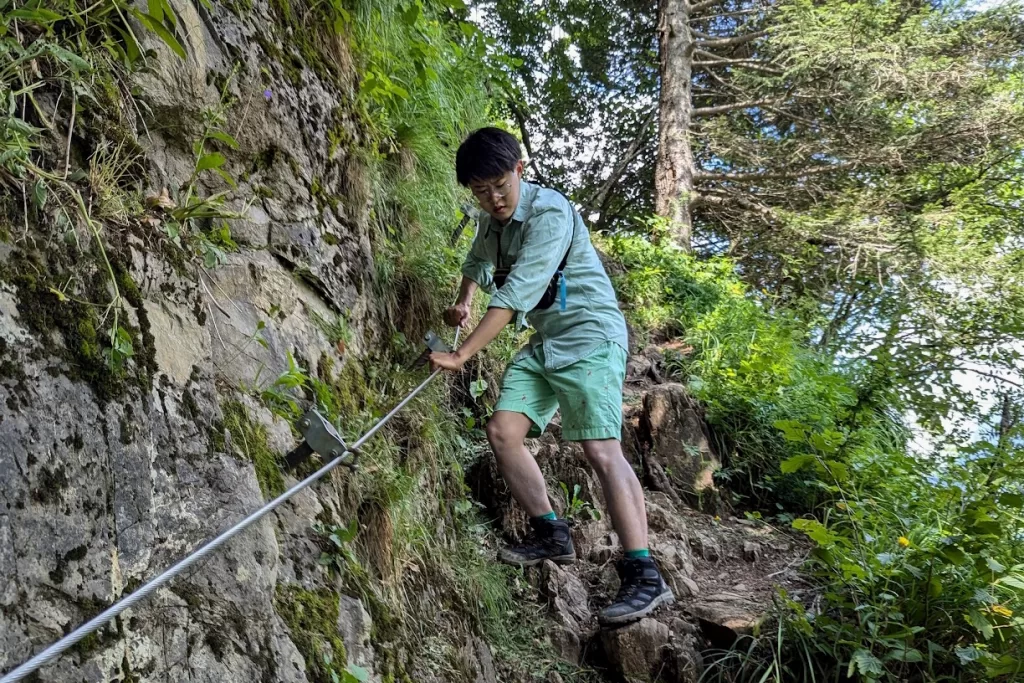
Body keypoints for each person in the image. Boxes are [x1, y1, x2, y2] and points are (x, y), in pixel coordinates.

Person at [428, 127, 673, 625]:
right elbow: (478, 261)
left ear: (520, 169)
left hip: (591, 336)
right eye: (480, 191)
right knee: (503, 431)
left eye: (499, 184)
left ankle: (645, 575)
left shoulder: (550, 213)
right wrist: (463, 301)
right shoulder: (491, 222)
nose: (493, 199)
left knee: (601, 451)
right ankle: (551, 534)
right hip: (546, 343)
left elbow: (517, 290)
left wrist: (462, 356)